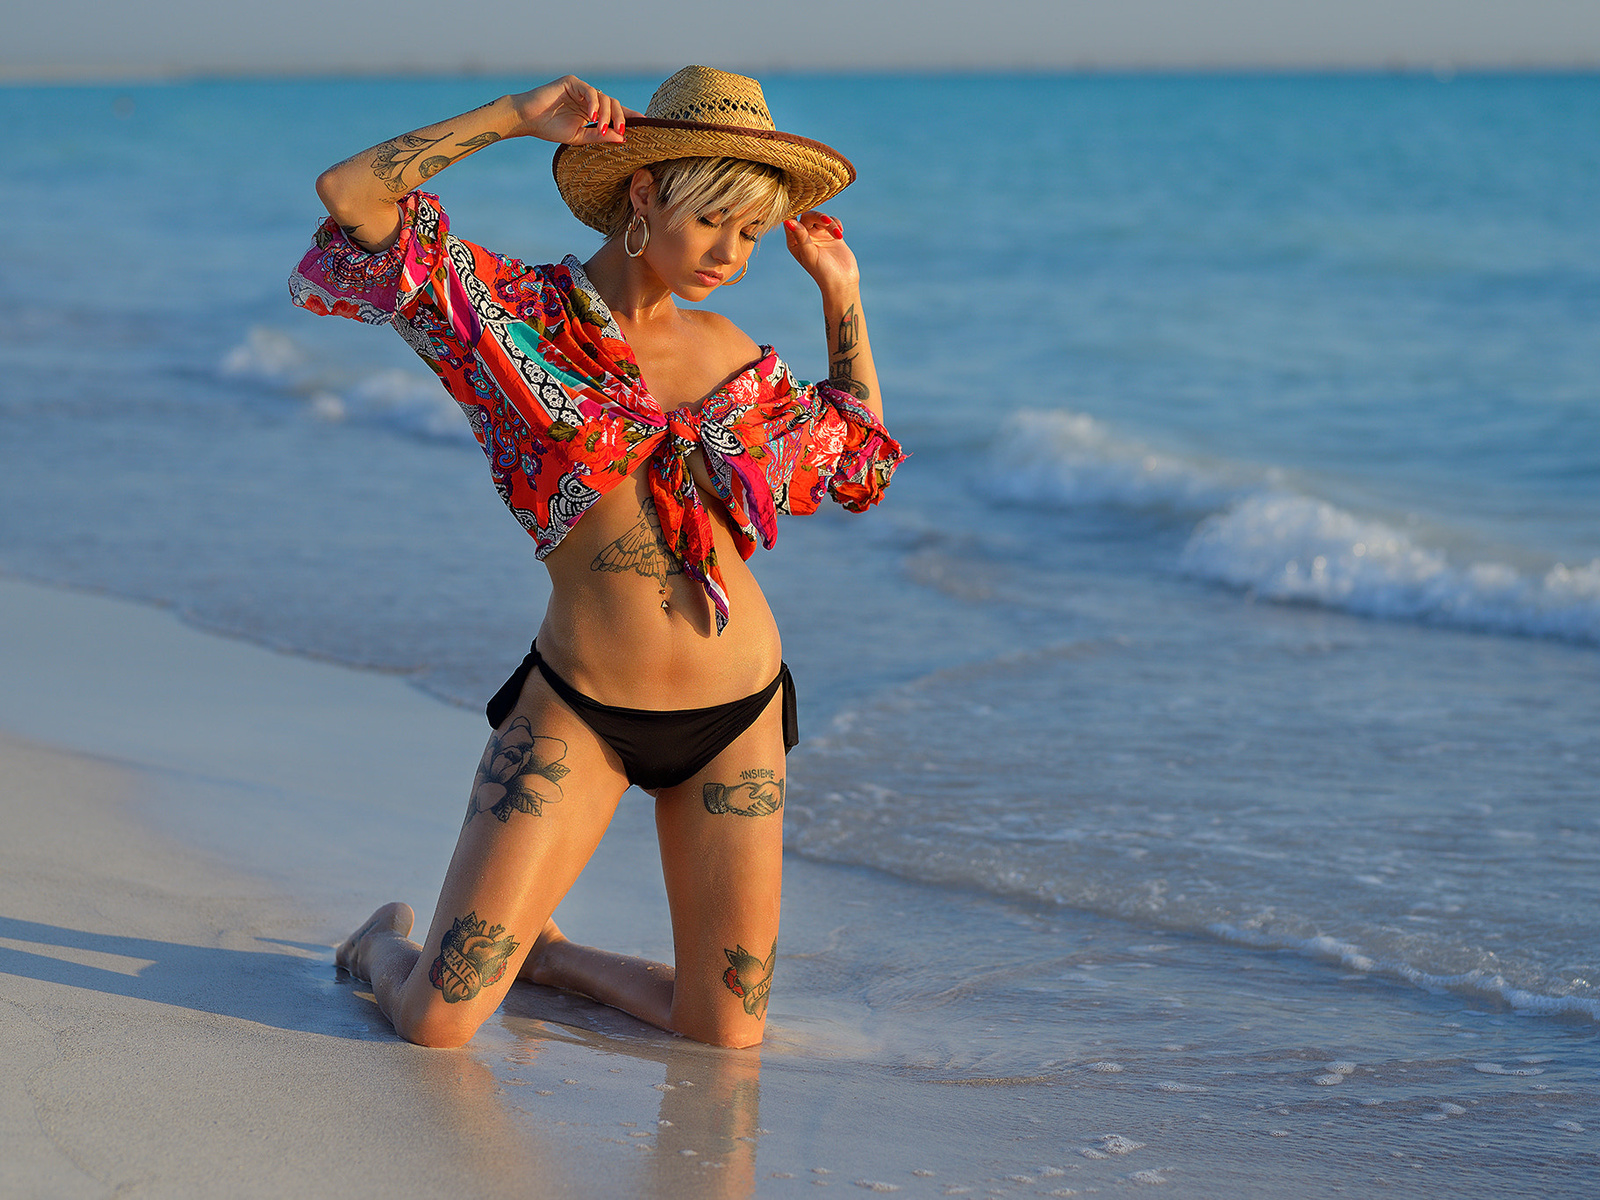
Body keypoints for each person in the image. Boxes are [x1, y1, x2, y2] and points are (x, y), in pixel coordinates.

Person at [291, 66, 904, 1049]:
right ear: (645, 192)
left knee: (724, 1035)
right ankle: (374, 951)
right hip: (581, 706)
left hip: (737, 713)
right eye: (714, 222)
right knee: (435, 1023)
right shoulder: (506, 317)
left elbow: (858, 460)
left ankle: (547, 955)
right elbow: (354, 197)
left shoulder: (738, 357)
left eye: (751, 235)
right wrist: (518, 118)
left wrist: (842, 295)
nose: (732, 257)